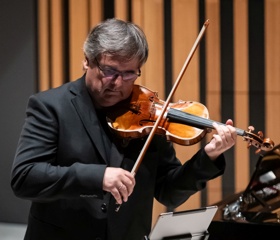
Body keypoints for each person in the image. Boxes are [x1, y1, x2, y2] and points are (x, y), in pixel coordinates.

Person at [11, 18, 237, 240]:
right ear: (87, 61)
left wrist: (208, 156)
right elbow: (25, 177)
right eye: (109, 70)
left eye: (129, 73)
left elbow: (169, 192)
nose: (118, 83)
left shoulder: (150, 116)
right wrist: (98, 177)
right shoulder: (50, 106)